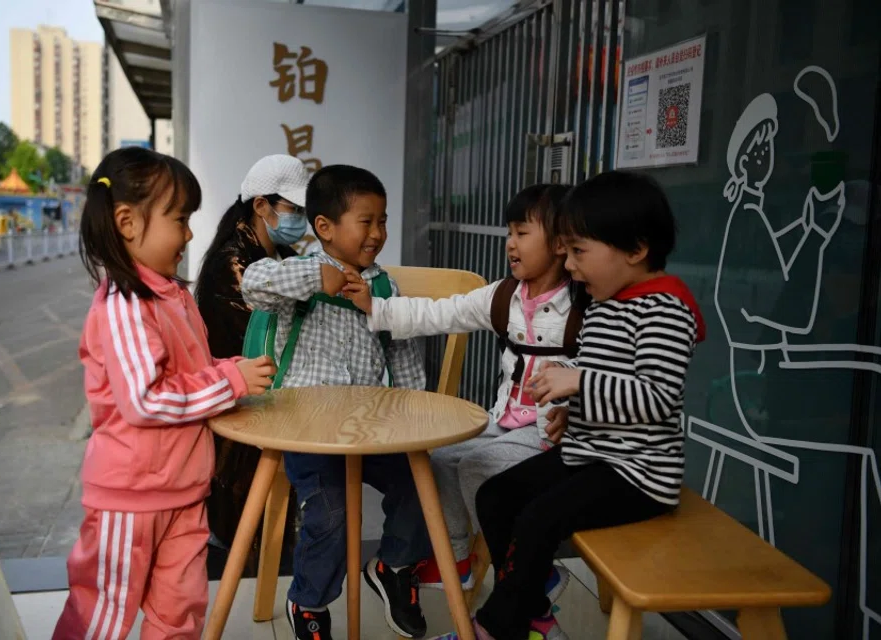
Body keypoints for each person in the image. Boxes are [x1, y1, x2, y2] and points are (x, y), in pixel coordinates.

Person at [428, 170, 707, 640]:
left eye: (579, 252)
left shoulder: (664, 310)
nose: (571, 265)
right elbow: (603, 376)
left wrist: (577, 382)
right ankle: (533, 613)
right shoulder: (607, 301)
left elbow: (657, 397)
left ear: (636, 249)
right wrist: (568, 410)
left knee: (538, 518)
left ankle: (498, 628)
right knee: (496, 496)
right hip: (589, 457)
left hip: (636, 474)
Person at [52, 147, 276, 640]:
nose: (190, 233)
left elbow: (189, 370)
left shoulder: (171, 295)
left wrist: (228, 367)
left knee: (180, 611)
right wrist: (229, 383)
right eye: (179, 219)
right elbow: (147, 399)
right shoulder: (126, 304)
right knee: (105, 615)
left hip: (184, 489)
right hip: (131, 498)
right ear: (128, 222)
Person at [343, 184, 587, 610]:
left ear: (561, 241)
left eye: (522, 233)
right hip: (505, 420)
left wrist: (574, 396)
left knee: (479, 467)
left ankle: (536, 571)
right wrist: (377, 309)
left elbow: (608, 368)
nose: (511, 243)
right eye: (509, 232)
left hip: (552, 432)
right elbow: (441, 312)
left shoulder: (583, 305)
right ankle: (457, 556)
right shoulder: (504, 295)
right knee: (439, 458)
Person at [241, 164, 433, 640]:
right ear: (324, 227)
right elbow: (252, 283)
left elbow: (404, 358)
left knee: (427, 480)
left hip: (370, 425)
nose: (377, 233)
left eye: (382, 221)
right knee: (331, 513)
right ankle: (309, 600)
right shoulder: (298, 275)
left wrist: (417, 419)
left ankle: (394, 565)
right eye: (365, 221)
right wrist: (315, 276)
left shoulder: (384, 287)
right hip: (307, 428)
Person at [194, 154, 309, 555]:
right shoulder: (234, 265)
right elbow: (269, 342)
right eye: (294, 209)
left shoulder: (274, 256)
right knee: (245, 528)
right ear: (262, 206)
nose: (302, 220)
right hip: (241, 407)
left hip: (260, 399)